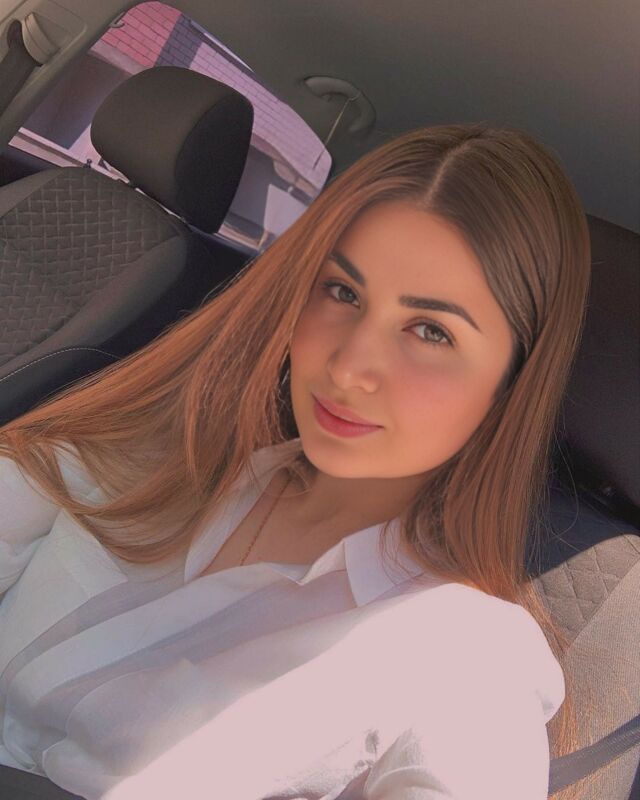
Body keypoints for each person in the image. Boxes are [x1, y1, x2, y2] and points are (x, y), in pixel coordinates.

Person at [0, 123, 593, 800]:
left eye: (431, 331)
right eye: (342, 293)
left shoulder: (464, 651)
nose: (347, 367)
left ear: (511, 384)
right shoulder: (151, 453)